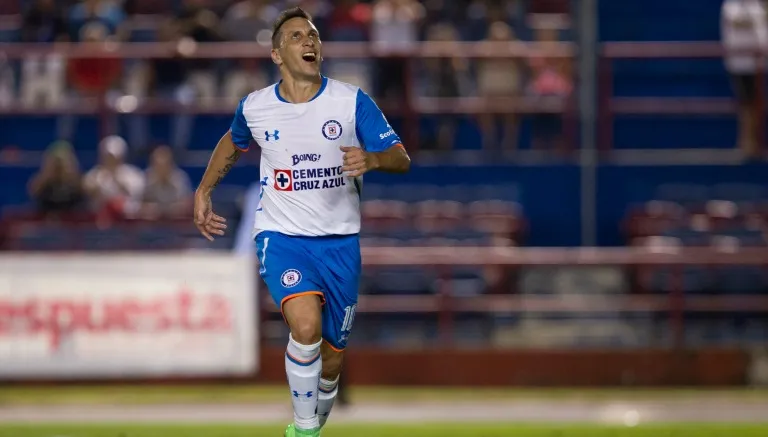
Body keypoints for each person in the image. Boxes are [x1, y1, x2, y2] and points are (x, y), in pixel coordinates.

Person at [192, 7, 411, 437]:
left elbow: (401, 157)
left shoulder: (350, 101)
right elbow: (233, 143)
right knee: (305, 327)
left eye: (313, 35)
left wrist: (372, 158)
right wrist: (203, 190)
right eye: (295, 36)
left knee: (331, 360)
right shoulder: (256, 107)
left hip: (341, 243)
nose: (309, 41)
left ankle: (313, 418)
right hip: (283, 236)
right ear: (276, 54)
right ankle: (306, 431)